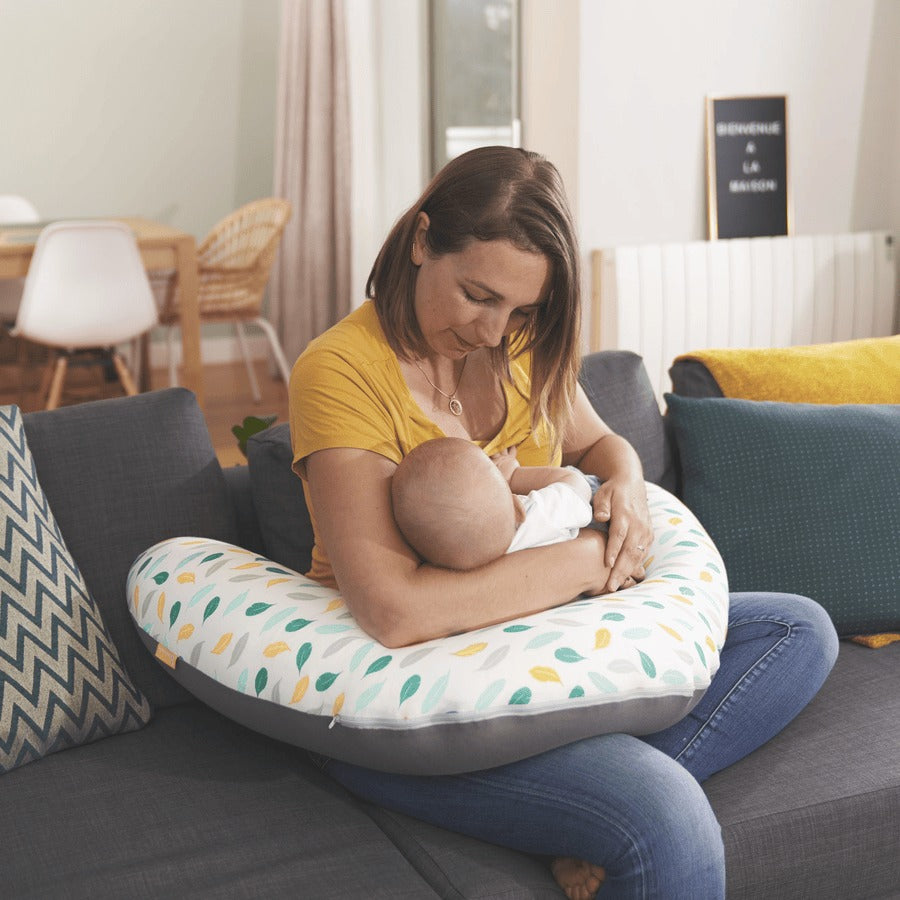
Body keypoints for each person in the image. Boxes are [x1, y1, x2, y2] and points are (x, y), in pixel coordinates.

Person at [289, 146, 838, 900]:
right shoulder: (340, 370)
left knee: (798, 630)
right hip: (423, 703)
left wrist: (630, 484)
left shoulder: (517, 346)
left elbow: (599, 443)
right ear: (421, 241)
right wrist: (590, 560)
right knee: (665, 820)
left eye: (522, 309)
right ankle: (611, 795)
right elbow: (394, 610)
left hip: (554, 656)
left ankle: (586, 796)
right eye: (477, 295)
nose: (494, 331)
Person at [391, 436, 621, 575]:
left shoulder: (453, 558)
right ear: (517, 505)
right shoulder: (535, 518)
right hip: (596, 520)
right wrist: (512, 474)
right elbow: (575, 486)